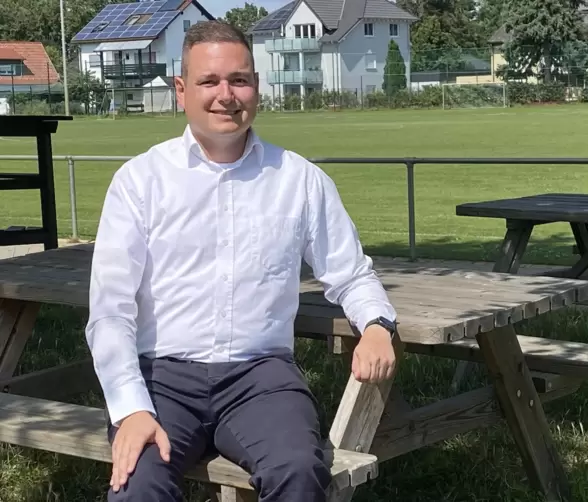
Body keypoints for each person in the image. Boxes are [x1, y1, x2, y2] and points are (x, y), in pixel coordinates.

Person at [84, 20, 398, 502]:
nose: (226, 95)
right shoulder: (140, 181)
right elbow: (110, 310)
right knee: (137, 487)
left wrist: (377, 324)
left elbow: (350, 273)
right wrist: (131, 409)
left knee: (297, 471)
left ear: (257, 86)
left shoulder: (299, 180)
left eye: (240, 80)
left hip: (261, 379)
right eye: (209, 82)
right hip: (162, 378)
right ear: (182, 90)